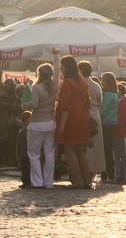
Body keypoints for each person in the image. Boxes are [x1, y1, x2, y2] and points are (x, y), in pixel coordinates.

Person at [20, 50, 60, 189]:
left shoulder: (36, 87)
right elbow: (57, 72)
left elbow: (34, 105)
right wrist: (56, 57)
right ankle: (48, 182)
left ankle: (37, 181)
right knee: (49, 154)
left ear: (38, 74)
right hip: (50, 122)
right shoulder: (54, 85)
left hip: (37, 123)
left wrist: (25, 105)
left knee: (34, 154)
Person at [55, 55, 91, 189]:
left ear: (67, 67)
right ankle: (86, 180)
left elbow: (65, 106)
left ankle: (75, 181)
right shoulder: (82, 81)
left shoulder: (67, 83)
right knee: (80, 151)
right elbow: (88, 101)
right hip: (82, 116)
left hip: (71, 118)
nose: (60, 69)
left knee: (70, 150)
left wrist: (62, 125)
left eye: (62, 66)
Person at [78, 61, 106, 180]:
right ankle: (92, 172)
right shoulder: (96, 85)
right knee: (95, 146)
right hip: (95, 114)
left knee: (84, 145)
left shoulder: (80, 84)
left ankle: (84, 172)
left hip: (83, 114)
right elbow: (100, 103)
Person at [99, 72, 119, 182]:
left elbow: (103, 110)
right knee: (108, 149)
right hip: (112, 123)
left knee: (105, 150)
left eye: (103, 80)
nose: (101, 83)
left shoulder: (108, 95)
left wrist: (95, 119)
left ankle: (106, 174)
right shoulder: (114, 94)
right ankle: (109, 173)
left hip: (106, 123)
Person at [113, 83, 126, 185]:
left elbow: (120, 119)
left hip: (119, 132)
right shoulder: (122, 103)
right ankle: (119, 174)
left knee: (120, 154)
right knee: (119, 154)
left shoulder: (122, 104)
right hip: (119, 131)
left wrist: (115, 129)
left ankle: (121, 175)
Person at [16, 111, 31, 188]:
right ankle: (25, 182)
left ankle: (28, 181)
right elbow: (18, 145)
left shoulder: (32, 132)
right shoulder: (21, 133)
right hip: (22, 154)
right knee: (24, 169)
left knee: (28, 168)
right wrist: (18, 155)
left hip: (29, 154)